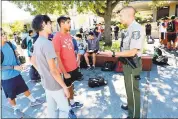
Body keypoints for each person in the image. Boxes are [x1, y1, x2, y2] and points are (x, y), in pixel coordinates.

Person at [101, 6, 145, 118]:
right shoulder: (129, 28)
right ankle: (131, 105)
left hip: (132, 64)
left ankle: (134, 115)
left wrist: (114, 54)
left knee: (133, 91)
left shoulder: (136, 29)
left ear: (128, 15)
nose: (119, 17)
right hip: (127, 64)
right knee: (128, 88)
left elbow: (133, 52)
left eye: (121, 15)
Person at [31, 15, 76, 118]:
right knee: (65, 110)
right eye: (49, 23)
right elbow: (54, 71)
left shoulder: (37, 42)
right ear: (43, 24)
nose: (51, 26)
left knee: (52, 111)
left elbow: (32, 60)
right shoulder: (47, 44)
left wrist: (43, 73)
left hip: (46, 84)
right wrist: (65, 87)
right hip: (55, 84)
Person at [1, 29, 43, 117]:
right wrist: (13, 67)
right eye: (2, 34)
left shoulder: (9, 44)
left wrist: (19, 60)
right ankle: (16, 109)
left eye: (4, 33)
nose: (4, 35)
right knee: (11, 95)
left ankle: (33, 101)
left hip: (17, 73)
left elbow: (16, 52)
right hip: (6, 77)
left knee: (24, 88)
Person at [52, 16, 83, 111]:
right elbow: (57, 57)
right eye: (68, 22)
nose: (70, 24)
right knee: (66, 89)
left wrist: (76, 61)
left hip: (73, 67)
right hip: (65, 70)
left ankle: (72, 103)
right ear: (62, 23)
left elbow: (71, 51)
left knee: (71, 87)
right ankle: (67, 107)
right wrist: (64, 73)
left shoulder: (69, 35)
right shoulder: (57, 38)